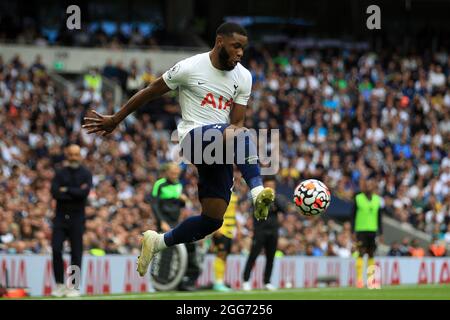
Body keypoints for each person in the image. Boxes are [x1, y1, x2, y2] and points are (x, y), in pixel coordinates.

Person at [82, 22, 275, 277]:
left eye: (243, 48)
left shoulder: (244, 76)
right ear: (220, 42)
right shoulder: (190, 67)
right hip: (192, 138)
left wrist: (233, 148)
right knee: (241, 134)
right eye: (236, 46)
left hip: (221, 144)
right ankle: (257, 191)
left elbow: (236, 122)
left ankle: (158, 242)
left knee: (213, 219)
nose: (240, 53)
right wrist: (116, 119)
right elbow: (151, 91)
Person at [50, 144, 92, 297]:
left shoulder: (86, 173)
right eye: (71, 154)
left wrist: (66, 189)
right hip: (60, 217)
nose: (74, 157)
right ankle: (60, 284)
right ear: (67, 155)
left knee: (76, 252)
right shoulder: (59, 173)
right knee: (55, 249)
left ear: (80, 156)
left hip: (77, 217)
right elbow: (55, 193)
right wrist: (75, 191)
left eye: (76, 154)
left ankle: (73, 286)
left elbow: (84, 193)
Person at [150, 162, 200, 291]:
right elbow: (154, 205)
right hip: (164, 222)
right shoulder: (159, 184)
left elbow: (179, 205)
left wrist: (182, 200)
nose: (175, 175)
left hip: (175, 222)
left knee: (187, 245)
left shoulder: (179, 185)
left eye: (176, 173)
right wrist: (161, 221)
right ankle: (160, 282)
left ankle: (185, 280)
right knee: (164, 251)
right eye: (172, 173)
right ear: (166, 172)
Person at [242, 176, 287, 291]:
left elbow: (283, 209)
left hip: (273, 231)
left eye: (272, 186)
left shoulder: (277, 198)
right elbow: (255, 210)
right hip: (260, 231)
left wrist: (273, 197)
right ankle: (246, 280)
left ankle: (267, 281)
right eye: (268, 185)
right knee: (253, 255)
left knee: (270, 257)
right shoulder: (258, 198)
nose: (270, 187)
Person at [351, 174, 383, 288]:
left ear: (373, 187)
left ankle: (371, 280)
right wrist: (352, 231)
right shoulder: (358, 198)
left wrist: (381, 232)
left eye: (370, 185)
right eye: (367, 185)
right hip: (361, 230)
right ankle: (359, 280)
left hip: (372, 230)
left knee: (371, 254)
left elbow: (379, 217)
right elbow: (353, 216)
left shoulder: (377, 199)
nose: (368, 187)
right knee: (360, 252)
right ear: (364, 187)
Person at [211, 192, 238, 292]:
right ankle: (218, 282)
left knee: (224, 256)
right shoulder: (220, 191)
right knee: (221, 255)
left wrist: (237, 227)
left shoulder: (233, 192)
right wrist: (216, 228)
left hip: (230, 230)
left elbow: (233, 212)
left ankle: (220, 281)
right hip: (221, 229)